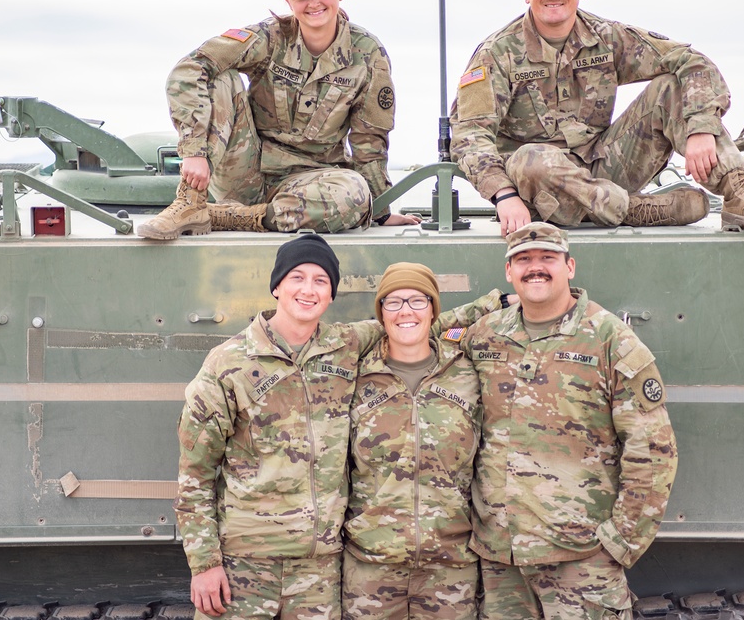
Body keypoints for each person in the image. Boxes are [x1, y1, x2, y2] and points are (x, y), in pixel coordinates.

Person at [175, 235, 508, 619]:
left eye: (321, 281)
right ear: (276, 286)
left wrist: (498, 303)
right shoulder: (227, 363)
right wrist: (204, 563)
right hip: (245, 561)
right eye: (297, 277)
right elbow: (195, 473)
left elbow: (415, 324)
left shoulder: (344, 345)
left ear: (331, 294)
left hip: (319, 568)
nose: (308, 289)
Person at [450, 0, 744, 236]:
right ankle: (636, 210)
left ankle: (739, 192)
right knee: (531, 159)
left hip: (605, 165)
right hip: (539, 189)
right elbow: (469, 137)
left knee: (670, 87)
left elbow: (691, 61)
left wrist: (701, 128)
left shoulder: (607, 38)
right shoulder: (497, 54)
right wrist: (504, 196)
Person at [458, 222, 678, 619]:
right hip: (502, 555)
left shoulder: (610, 338)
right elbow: (422, 333)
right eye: (523, 260)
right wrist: (487, 304)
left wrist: (620, 541)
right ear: (509, 272)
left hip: (581, 556)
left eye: (547, 258)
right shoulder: (484, 335)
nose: (535, 268)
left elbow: (653, 450)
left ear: (570, 267)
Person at [140, 0, 419, 239]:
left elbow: (369, 140)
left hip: (312, 183)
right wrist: (194, 152)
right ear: (288, 0)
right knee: (219, 75)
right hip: (244, 170)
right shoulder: (269, 38)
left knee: (355, 193)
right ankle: (190, 203)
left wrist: (380, 209)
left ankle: (233, 217)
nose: (314, 3)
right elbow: (189, 68)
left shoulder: (366, 54)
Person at [343, 263, 485, 619]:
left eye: (418, 300)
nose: (406, 311)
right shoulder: (354, 376)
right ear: (381, 314)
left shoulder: (467, 373)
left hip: (451, 567)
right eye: (393, 302)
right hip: (370, 567)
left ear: (434, 311)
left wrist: (499, 300)